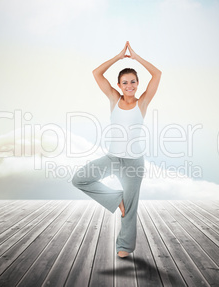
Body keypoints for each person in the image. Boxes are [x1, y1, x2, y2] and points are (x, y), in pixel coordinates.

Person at [72, 41, 161, 258]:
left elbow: (157, 74)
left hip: (134, 163)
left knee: (130, 209)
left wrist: (136, 56)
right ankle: (115, 199)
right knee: (80, 179)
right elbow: (96, 73)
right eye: (125, 82)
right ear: (119, 85)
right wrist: (120, 57)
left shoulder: (143, 103)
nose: (129, 85)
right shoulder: (114, 98)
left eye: (132, 81)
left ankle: (124, 247)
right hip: (113, 158)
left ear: (138, 83)